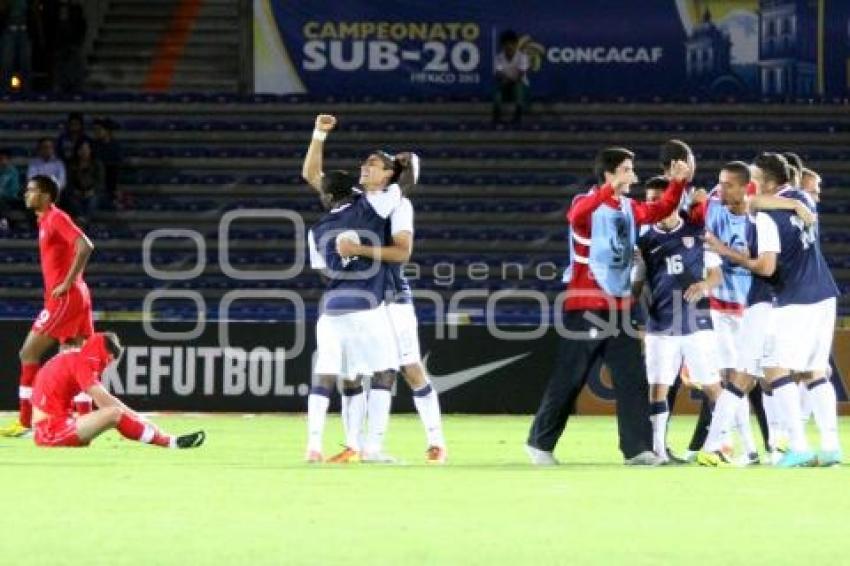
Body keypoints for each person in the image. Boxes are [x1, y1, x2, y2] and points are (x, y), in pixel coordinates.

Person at [526, 146, 692, 466]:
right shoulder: (586, 203)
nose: (634, 175)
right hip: (586, 302)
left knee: (631, 375)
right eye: (628, 170)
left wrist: (678, 184)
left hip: (619, 303)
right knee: (570, 376)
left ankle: (638, 449)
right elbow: (575, 217)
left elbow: (659, 211)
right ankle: (539, 443)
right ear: (610, 173)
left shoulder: (628, 207)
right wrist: (606, 191)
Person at [302, 114, 447, 464]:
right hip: (363, 299)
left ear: (389, 176)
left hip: (393, 296)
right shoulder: (354, 200)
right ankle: (355, 445)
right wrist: (319, 135)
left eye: (374, 164)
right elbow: (312, 177)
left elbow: (401, 252)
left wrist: (358, 251)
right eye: (364, 162)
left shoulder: (398, 203)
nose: (364, 167)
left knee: (407, 367)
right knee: (352, 375)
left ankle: (435, 440)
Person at [704, 153, 841, 467]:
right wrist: (793, 205)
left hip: (790, 299)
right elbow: (767, 203)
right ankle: (831, 446)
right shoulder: (803, 199)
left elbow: (766, 266)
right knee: (814, 372)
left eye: (753, 179)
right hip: (823, 294)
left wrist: (725, 251)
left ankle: (795, 446)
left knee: (772, 369)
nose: (750, 187)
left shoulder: (765, 216)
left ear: (765, 182)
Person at [634, 177, 724, 464]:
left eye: (659, 199)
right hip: (661, 325)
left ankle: (720, 444)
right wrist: (637, 320)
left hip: (697, 324)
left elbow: (716, 274)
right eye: (650, 200)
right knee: (658, 386)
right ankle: (658, 449)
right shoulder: (645, 242)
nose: (654, 205)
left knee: (712, 385)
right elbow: (638, 287)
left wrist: (704, 286)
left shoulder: (698, 232)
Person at [0, 175, 94, 437]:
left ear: (45, 195)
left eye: (31, 190)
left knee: (28, 353)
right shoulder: (45, 220)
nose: (26, 194)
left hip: (64, 298)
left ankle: (26, 421)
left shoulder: (56, 218)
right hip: (76, 296)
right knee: (73, 359)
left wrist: (67, 282)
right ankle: (84, 421)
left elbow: (85, 246)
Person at [31, 331, 205, 448]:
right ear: (99, 352)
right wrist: (140, 420)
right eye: (107, 361)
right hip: (49, 430)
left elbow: (85, 400)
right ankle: (169, 442)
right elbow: (107, 403)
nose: (105, 366)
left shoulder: (76, 359)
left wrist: (88, 433)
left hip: (54, 425)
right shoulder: (82, 363)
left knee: (114, 414)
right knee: (114, 413)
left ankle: (164, 438)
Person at [63, 139, 105, 224]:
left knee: (93, 200)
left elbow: (100, 182)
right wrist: (76, 191)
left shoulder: (97, 164)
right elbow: (69, 182)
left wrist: (91, 191)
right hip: (76, 192)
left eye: (86, 149)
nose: (84, 152)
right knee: (71, 199)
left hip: (92, 192)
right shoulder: (72, 165)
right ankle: (81, 218)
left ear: (90, 150)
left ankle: (84, 219)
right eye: (81, 149)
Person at [492, 30, 529, 124]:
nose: (509, 47)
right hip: (505, 85)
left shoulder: (522, 57)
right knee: (497, 93)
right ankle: (496, 116)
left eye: (511, 44)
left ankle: (518, 115)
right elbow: (498, 74)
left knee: (518, 88)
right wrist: (505, 80)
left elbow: (521, 74)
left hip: (520, 85)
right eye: (506, 44)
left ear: (516, 45)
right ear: (502, 46)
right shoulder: (498, 58)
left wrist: (509, 79)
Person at [91, 117, 122, 209]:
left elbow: (117, 162)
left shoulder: (115, 146)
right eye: (95, 130)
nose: (96, 132)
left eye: (99, 129)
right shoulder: (93, 145)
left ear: (107, 131)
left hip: (110, 178)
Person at [0, 147, 21, 230]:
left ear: (9, 160)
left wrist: (2, 193)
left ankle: (3, 225)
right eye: (0, 159)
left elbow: (14, 190)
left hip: (10, 199)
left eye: (4, 159)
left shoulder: (13, 172)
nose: (2, 161)